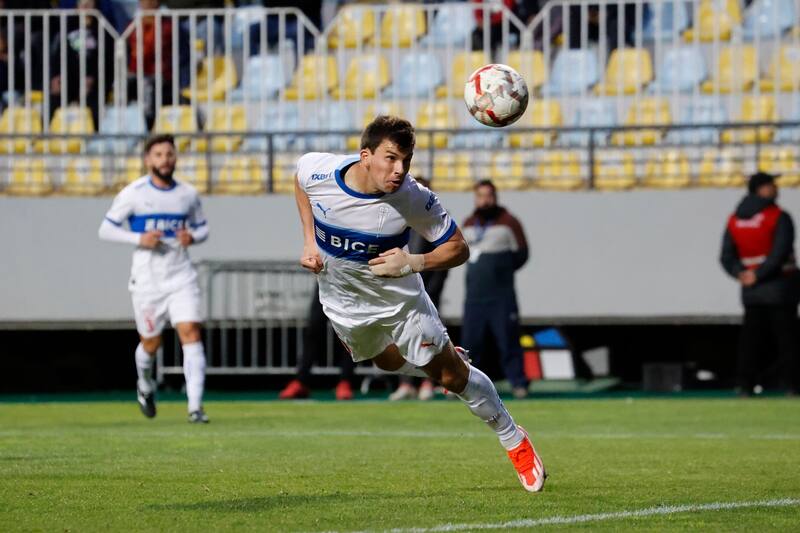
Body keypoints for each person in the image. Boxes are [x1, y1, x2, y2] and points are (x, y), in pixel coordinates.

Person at [294, 115, 545, 492]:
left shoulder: (411, 196)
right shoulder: (320, 171)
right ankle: (443, 356)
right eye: (391, 159)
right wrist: (309, 241)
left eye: (406, 161)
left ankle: (513, 439)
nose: (399, 170)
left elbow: (459, 247)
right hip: (343, 300)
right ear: (365, 156)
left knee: (452, 378)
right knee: (385, 361)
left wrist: (413, 262)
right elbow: (300, 184)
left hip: (401, 301)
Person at [98, 134, 211, 423]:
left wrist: (192, 236)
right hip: (147, 280)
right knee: (150, 343)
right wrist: (139, 238)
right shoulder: (133, 193)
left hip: (180, 275)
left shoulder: (187, 194)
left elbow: (202, 228)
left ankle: (195, 407)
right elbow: (106, 229)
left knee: (190, 332)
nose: (165, 159)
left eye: (169, 154)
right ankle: (145, 384)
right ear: (148, 159)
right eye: (159, 154)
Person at [720, 171, 800, 396]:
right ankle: (792, 385)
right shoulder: (778, 216)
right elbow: (780, 251)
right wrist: (761, 274)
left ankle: (745, 384)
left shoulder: (734, 220)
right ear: (761, 189)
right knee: (787, 340)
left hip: (751, 291)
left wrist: (741, 274)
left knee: (751, 342)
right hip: (781, 288)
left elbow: (726, 256)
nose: (776, 189)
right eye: (771, 185)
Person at [461, 180, 530, 399]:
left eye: (488, 195)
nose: (485, 200)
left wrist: (500, 268)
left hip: (501, 297)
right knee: (471, 345)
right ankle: (467, 386)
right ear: (475, 198)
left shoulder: (509, 222)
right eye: (480, 195)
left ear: (495, 196)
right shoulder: (469, 223)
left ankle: (518, 384)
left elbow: (522, 254)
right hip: (474, 297)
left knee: (508, 341)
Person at [389, 176, 448, 401]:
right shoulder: (396, 219)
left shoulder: (436, 221)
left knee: (429, 337)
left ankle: (427, 382)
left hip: (427, 289)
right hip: (403, 289)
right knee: (402, 335)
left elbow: (445, 258)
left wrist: (431, 289)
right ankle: (406, 383)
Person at [278, 283, 356, 401]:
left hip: (352, 282)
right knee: (313, 329)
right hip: (326, 280)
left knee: (350, 331)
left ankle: (345, 381)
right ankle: (301, 381)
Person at [48, 0, 116, 127]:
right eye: (82, 4)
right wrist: (56, 76)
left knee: (93, 101)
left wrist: (93, 78)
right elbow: (57, 55)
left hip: (95, 81)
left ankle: (92, 137)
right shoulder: (68, 27)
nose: (85, 8)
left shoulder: (103, 29)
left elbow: (107, 60)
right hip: (70, 78)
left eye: (88, 4)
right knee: (54, 98)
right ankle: (46, 135)